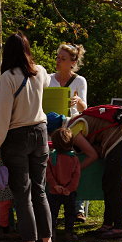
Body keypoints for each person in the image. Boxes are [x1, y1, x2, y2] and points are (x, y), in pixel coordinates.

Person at [0, 32, 53, 242]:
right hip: (40, 132)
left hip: (17, 136)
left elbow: (3, 116)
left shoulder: (8, 77)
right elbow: (46, 82)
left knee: (22, 194)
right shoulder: (41, 72)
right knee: (40, 190)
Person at [67, 108, 122, 239]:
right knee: (108, 183)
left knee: (115, 185)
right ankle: (108, 225)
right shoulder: (76, 122)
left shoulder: (72, 130)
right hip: (121, 136)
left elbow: (92, 155)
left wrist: (75, 171)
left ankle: (118, 228)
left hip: (119, 138)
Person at [49, 43, 89, 222]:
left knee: (75, 158)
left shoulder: (80, 81)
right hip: (51, 127)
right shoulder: (48, 78)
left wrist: (78, 100)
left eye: (62, 59)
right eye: (57, 57)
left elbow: (85, 109)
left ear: (72, 62)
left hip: (72, 127)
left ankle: (77, 206)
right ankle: (51, 203)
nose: (58, 61)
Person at [46, 128, 83, 242]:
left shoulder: (51, 157)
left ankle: (51, 234)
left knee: (52, 214)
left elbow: (48, 174)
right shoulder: (74, 158)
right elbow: (76, 176)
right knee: (70, 213)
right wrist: (69, 188)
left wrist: (55, 185)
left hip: (54, 191)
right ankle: (69, 233)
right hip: (69, 192)